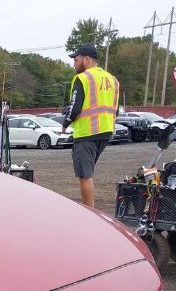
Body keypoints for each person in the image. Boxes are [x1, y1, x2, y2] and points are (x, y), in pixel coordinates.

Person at [62, 43, 120, 208]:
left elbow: (75, 107)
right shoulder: (112, 80)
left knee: (84, 175)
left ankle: (89, 212)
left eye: (76, 59)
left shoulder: (83, 78)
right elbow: (115, 108)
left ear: (87, 59)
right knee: (88, 173)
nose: (74, 63)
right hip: (106, 130)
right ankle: (90, 209)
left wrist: (66, 122)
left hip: (87, 132)